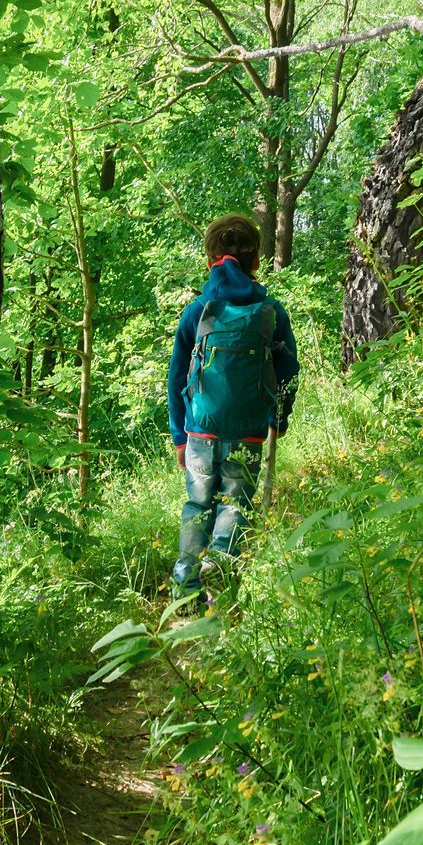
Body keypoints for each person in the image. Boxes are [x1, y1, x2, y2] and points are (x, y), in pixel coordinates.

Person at [167, 214, 300, 594]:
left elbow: (177, 378)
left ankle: (185, 589)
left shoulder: (197, 311)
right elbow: (289, 370)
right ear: (256, 260)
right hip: (250, 433)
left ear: (210, 260)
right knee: (234, 507)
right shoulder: (270, 310)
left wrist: (180, 436)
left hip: (199, 431)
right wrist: (279, 419)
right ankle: (221, 586)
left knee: (197, 507)